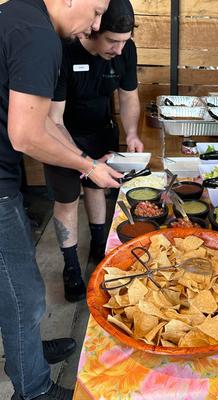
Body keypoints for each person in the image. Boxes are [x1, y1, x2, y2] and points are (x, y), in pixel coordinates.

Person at [0, 0, 124, 398]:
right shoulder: (38, 36)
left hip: (5, 176)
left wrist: (87, 162)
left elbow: (44, 124)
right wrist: (88, 168)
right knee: (24, 294)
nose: (96, 24)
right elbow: (27, 135)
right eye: (97, 10)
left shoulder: (20, 15)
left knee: (16, 287)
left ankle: (27, 353)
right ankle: (33, 390)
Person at [44, 0, 143, 303]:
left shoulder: (125, 49)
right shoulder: (64, 50)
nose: (118, 49)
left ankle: (100, 249)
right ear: (93, 31)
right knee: (68, 199)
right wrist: (82, 161)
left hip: (101, 130)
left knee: (98, 188)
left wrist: (131, 133)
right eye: (112, 41)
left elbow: (128, 97)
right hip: (62, 137)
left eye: (124, 42)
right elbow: (54, 118)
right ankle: (71, 266)